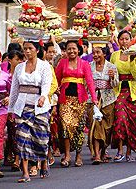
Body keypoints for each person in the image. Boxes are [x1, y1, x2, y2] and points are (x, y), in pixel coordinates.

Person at [8, 40, 56, 182]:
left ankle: (44, 161)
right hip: (22, 107)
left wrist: (43, 96)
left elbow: (47, 83)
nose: (27, 51)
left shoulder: (44, 66)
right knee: (22, 139)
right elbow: (14, 89)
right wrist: (11, 109)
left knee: (41, 140)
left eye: (30, 48)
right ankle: (25, 173)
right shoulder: (19, 68)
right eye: (25, 49)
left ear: (37, 50)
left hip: (40, 108)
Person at [55, 40, 97, 168]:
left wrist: (94, 98)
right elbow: (56, 79)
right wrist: (54, 91)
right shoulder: (62, 63)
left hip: (80, 100)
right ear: (66, 51)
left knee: (79, 128)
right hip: (65, 100)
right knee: (66, 127)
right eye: (69, 49)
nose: (71, 51)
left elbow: (89, 82)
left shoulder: (84, 64)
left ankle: (78, 156)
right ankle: (67, 155)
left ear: (78, 50)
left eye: (74, 49)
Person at [110, 30, 136, 163]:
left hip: (134, 92)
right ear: (118, 41)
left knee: (132, 122)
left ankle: (130, 151)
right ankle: (120, 150)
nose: (124, 42)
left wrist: (133, 58)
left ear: (131, 41)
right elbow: (112, 72)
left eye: (126, 39)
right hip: (119, 91)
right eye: (122, 39)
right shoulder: (114, 55)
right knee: (119, 120)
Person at [90, 45, 119, 165]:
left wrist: (112, 78)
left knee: (107, 127)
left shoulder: (112, 67)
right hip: (93, 99)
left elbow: (116, 84)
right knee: (96, 123)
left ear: (104, 54)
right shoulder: (89, 66)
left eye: (98, 52)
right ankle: (96, 154)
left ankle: (103, 151)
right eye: (93, 53)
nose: (95, 55)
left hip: (108, 99)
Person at [4, 50, 25, 172]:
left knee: (19, 132)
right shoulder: (4, 75)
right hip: (4, 107)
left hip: (20, 105)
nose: (20, 62)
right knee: (11, 133)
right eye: (17, 59)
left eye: (21, 60)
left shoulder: (23, 75)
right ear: (9, 60)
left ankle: (18, 159)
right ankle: (9, 155)